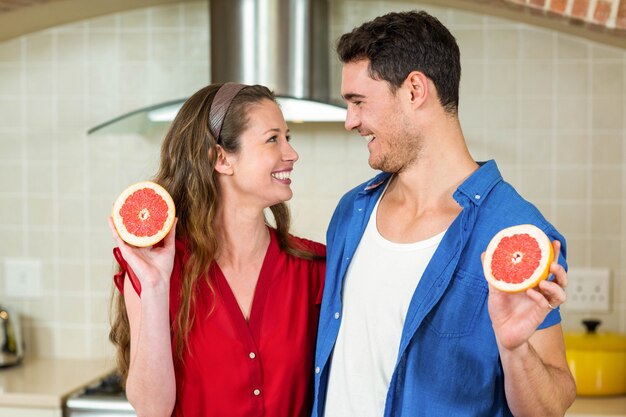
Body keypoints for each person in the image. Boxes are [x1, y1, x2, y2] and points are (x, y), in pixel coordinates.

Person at [313, 10, 576, 417]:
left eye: (359, 102)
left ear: (415, 90)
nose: (351, 121)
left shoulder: (515, 234)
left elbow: (550, 408)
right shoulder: (352, 211)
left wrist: (515, 349)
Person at [108, 83, 325, 417]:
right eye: (273, 139)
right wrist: (154, 288)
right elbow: (152, 410)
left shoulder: (314, 270)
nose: (291, 153)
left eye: (288, 137)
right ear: (221, 158)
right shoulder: (154, 268)